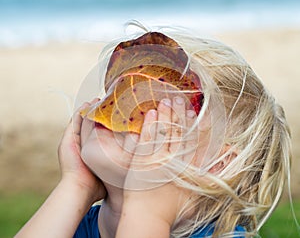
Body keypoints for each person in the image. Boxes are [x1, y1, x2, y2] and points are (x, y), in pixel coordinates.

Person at [15, 26, 292, 238]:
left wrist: (147, 211)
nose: (121, 107)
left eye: (156, 107)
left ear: (216, 167)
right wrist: (75, 185)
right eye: (116, 91)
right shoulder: (68, 223)